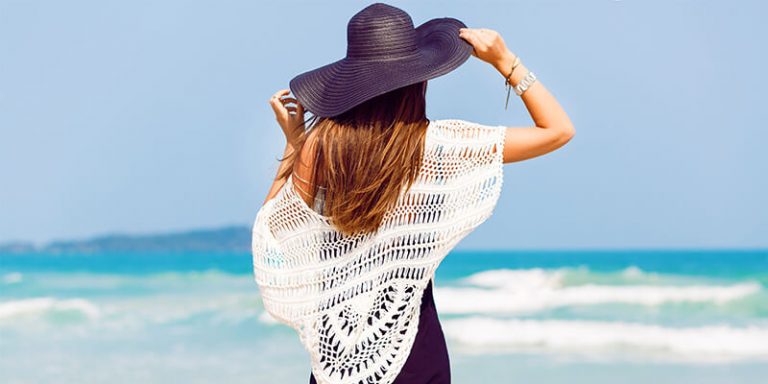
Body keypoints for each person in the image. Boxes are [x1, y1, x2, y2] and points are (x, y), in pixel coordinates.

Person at [252, 3, 574, 384]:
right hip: (414, 350)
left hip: (336, 352)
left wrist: (294, 143)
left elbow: (273, 227)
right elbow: (557, 130)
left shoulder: (321, 147)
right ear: (419, 80)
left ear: (352, 83)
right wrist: (507, 61)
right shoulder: (442, 145)